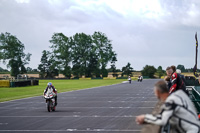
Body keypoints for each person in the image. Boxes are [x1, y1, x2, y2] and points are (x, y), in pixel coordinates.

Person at [136, 80, 200, 133]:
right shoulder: (178, 95)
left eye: (155, 93)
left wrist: (145, 117)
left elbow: (163, 120)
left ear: (158, 92)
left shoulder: (170, 101)